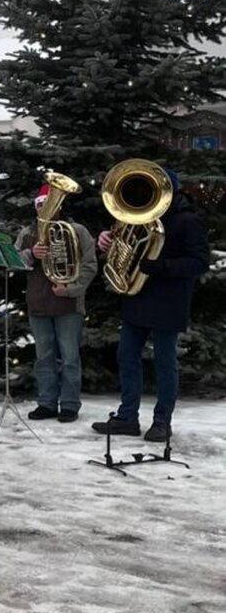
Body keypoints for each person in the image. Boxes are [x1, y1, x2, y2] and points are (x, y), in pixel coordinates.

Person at [93, 166, 210, 443]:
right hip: (137, 297)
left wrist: (160, 267)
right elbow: (122, 250)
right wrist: (106, 243)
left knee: (164, 363)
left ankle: (161, 422)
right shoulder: (137, 216)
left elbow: (199, 262)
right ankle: (127, 417)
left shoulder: (187, 220)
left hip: (168, 302)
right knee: (126, 357)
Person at [14, 182, 98, 421]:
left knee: (70, 357)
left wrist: (70, 289)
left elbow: (90, 265)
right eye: (40, 205)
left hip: (68, 304)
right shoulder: (27, 233)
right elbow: (12, 259)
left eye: (49, 204)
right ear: (36, 208)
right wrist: (31, 255)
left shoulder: (77, 230)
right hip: (39, 304)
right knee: (44, 358)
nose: (45, 209)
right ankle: (47, 403)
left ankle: (70, 405)